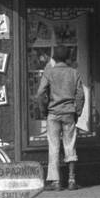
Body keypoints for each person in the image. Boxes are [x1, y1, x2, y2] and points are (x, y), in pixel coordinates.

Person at [37, 45, 85, 190]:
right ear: (67, 58)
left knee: (54, 147)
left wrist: (43, 110)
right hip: (69, 113)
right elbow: (80, 95)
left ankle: (55, 182)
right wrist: (77, 111)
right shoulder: (74, 73)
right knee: (70, 145)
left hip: (53, 113)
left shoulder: (49, 72)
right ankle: (71, 180)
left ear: (54, 58)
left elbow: (40, 93)